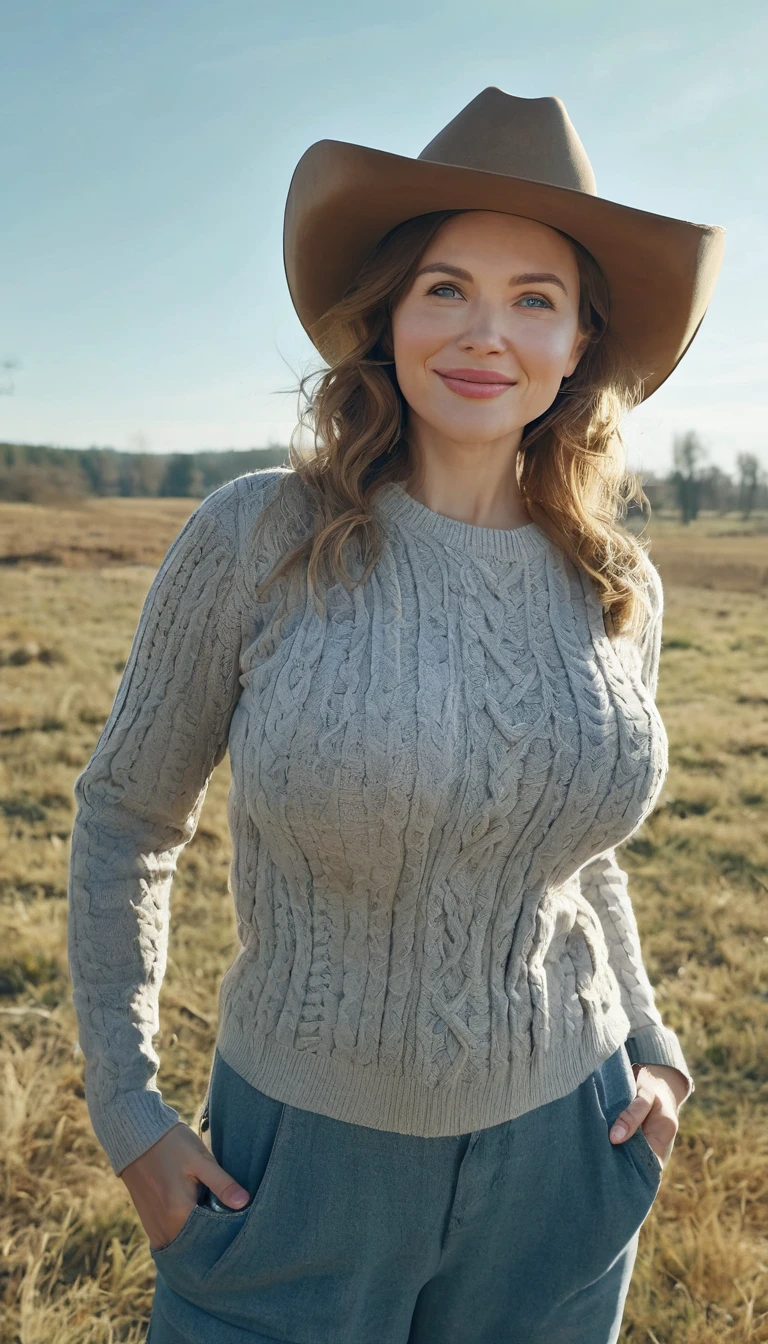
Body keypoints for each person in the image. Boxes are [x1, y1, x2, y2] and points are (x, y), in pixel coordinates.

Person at [67, 88, 724, 1343]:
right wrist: (130, 1111)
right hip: (300, 1169)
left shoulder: (616, 583)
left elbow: (581, 858)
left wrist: (650, 1041)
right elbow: (127, 817)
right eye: (445, 289)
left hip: (569, 1158)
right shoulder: (260, 536)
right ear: (389, 317)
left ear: (580, 340)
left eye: (535, 296)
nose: (488, 334)